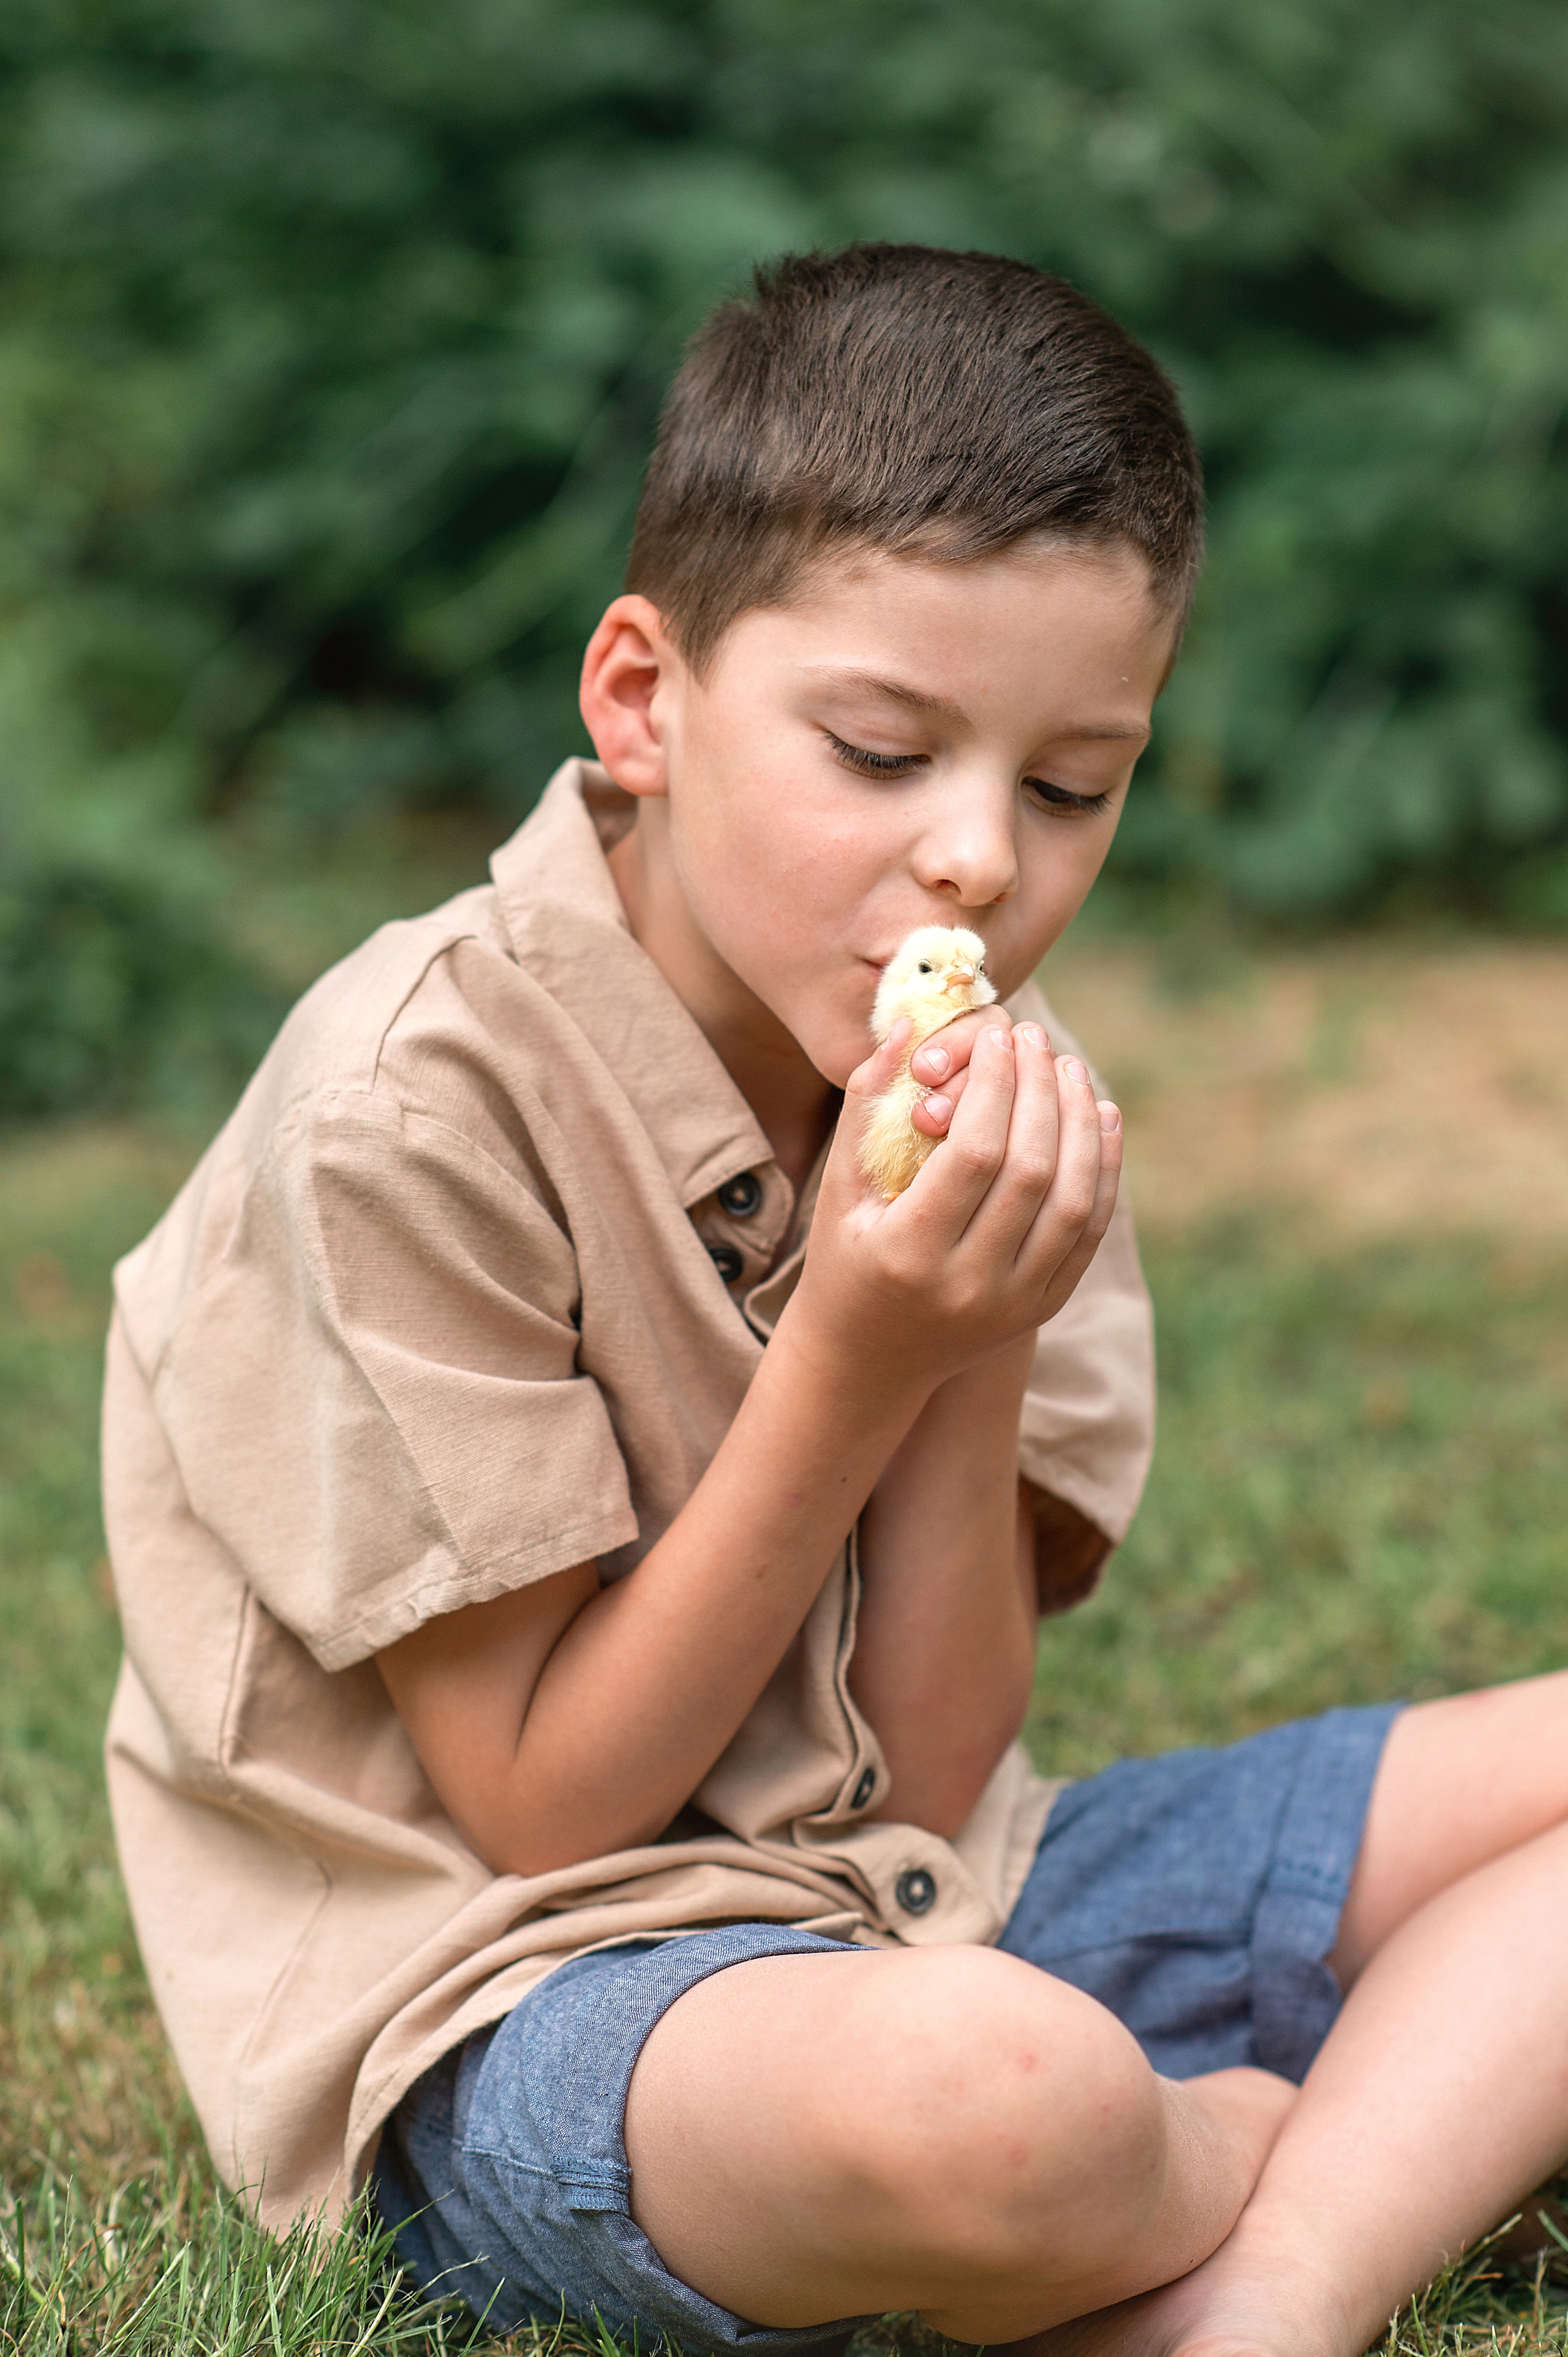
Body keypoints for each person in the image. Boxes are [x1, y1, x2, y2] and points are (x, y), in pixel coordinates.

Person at [100, 244, 1568, 2357]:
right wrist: (859, 1350)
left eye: (1073, 785)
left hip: (915, 1892)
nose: (981, 858)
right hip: (532, 2006)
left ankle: (1265, 2291)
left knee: (1009, 2042)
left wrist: (960, 1352)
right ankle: (1263, 2140)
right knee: (1000, 2101)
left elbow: (932, 1772)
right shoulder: (410, 1106)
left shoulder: (989, 1105)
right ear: (645, 699)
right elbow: (545, 1803)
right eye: (882, 750)